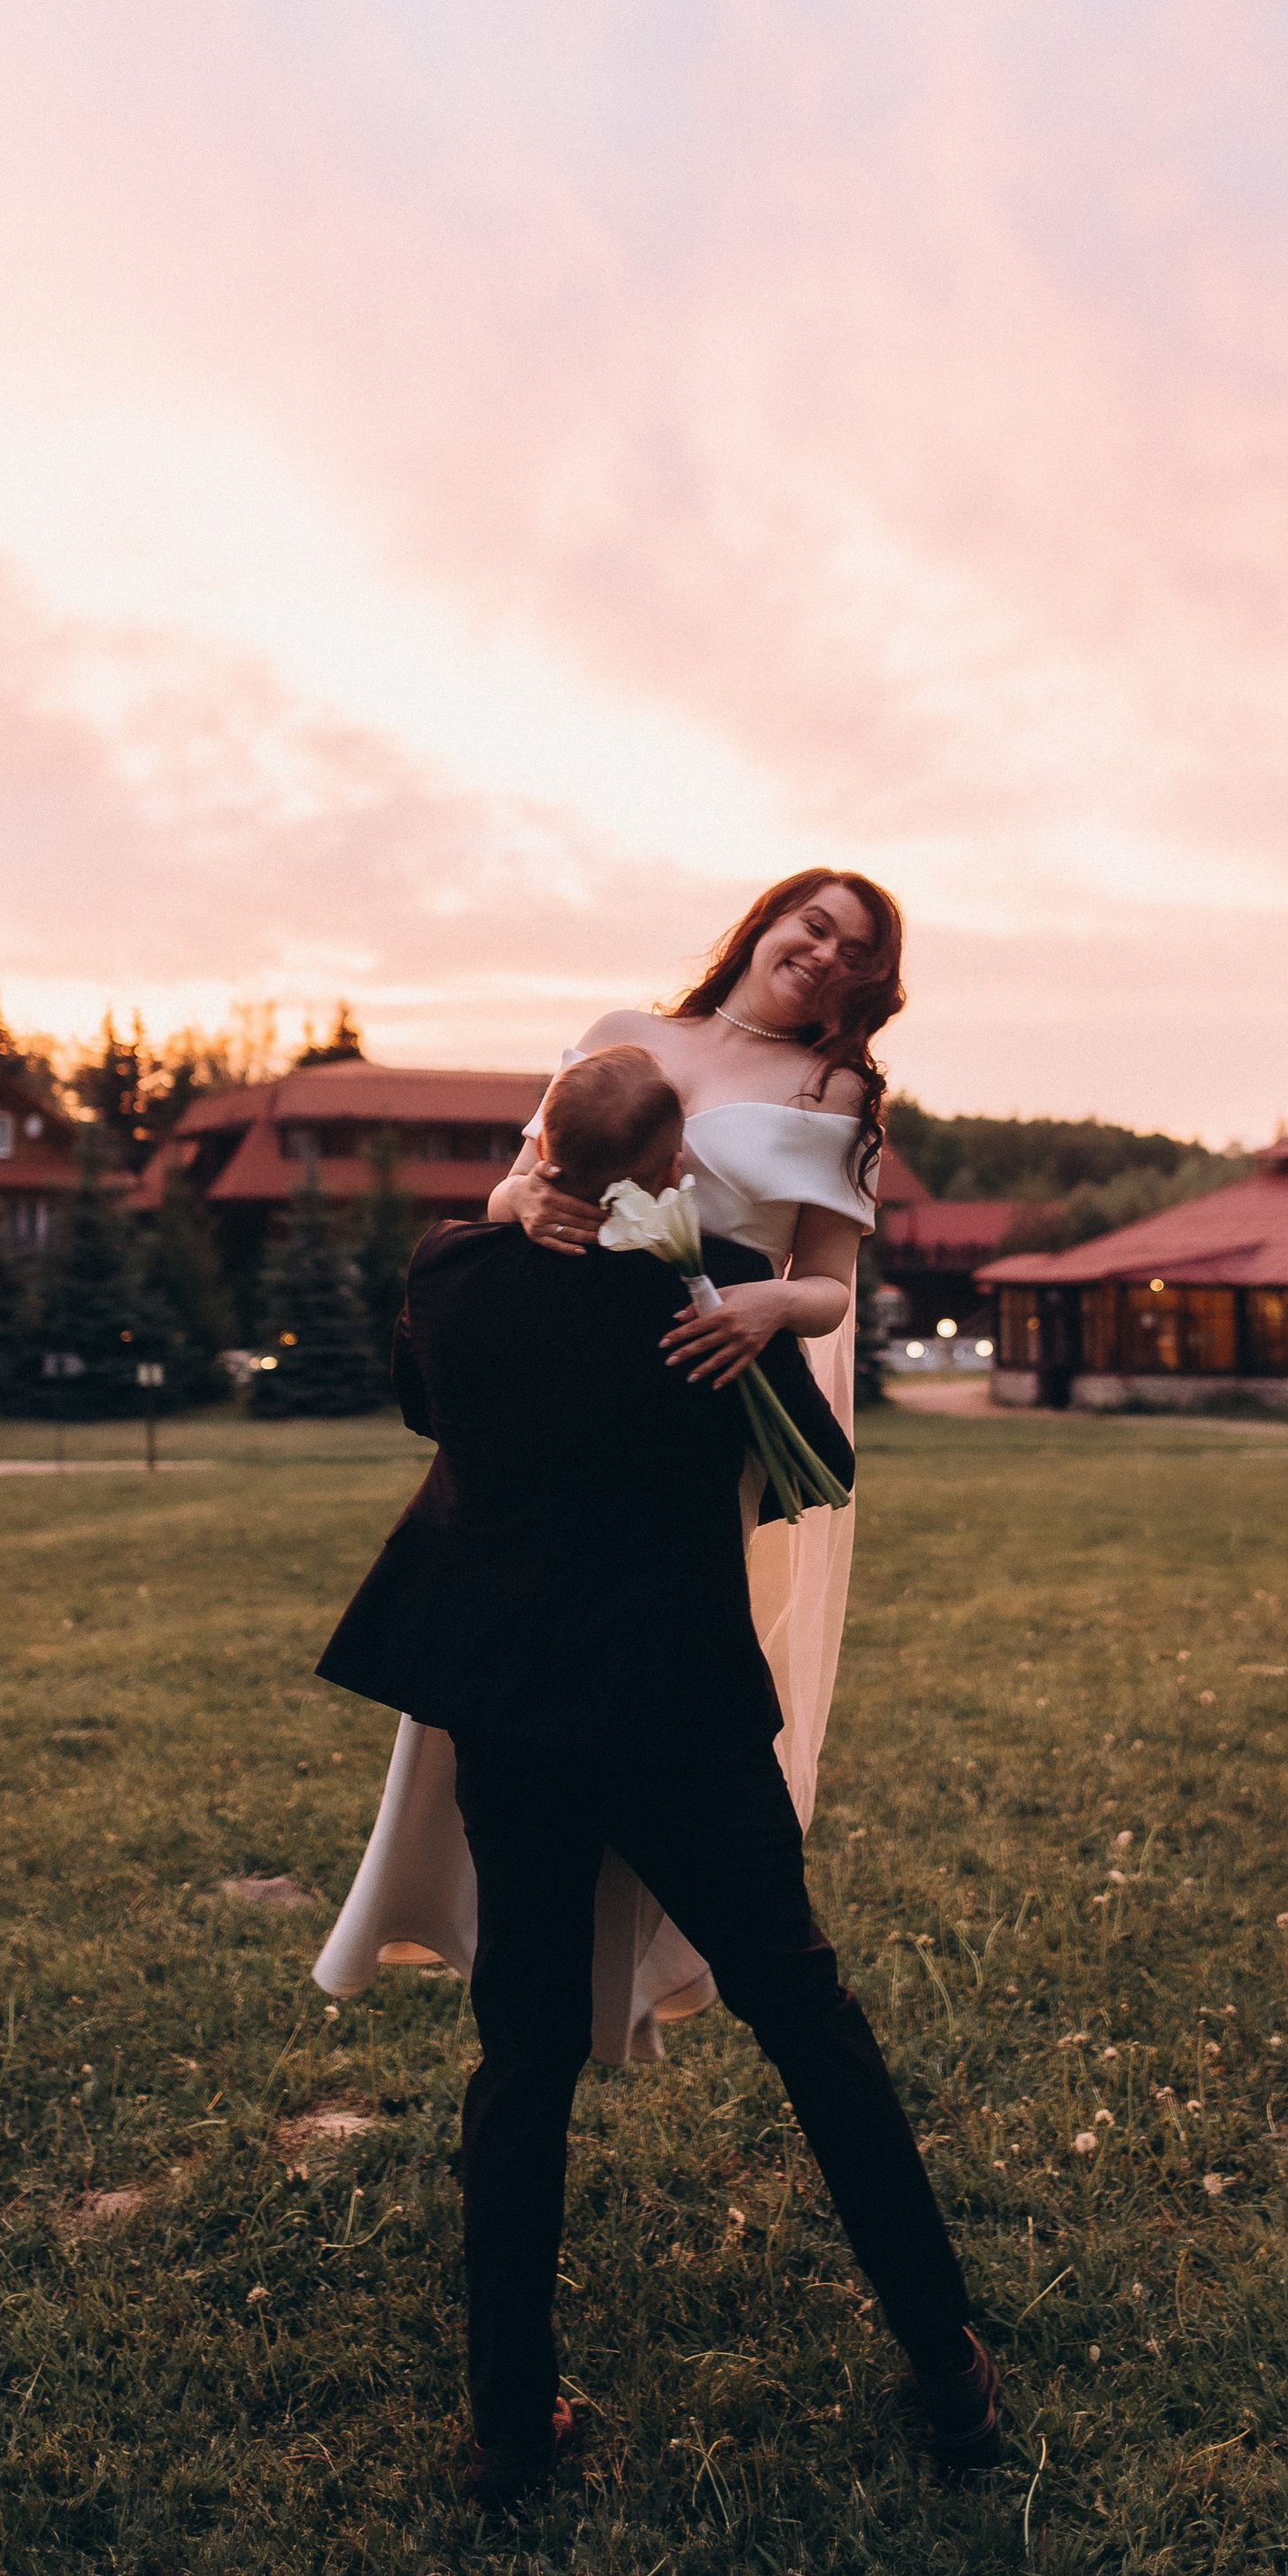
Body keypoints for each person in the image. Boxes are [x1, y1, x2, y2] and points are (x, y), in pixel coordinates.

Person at [314, 1042, 998, 2503]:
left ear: (539, 1143)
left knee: (526, 2051)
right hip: (679, 1709)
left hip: (510, 1714)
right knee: (806, 2015)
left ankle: (508, 2429)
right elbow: (816, 1461)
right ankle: (951, 2372)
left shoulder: (448, 1273)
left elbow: (425, 1406)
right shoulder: (709, 1293)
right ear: (670, 1168)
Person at [313, 869, 899, 2059]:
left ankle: (661, 1951)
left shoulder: (838, 1092)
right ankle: (520, 1957)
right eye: (814, 925)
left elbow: (831, 1288)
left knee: (657, 1676)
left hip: (694, 1386)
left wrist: (763, 1306)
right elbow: (519, 1184)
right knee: (528, 1670)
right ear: (767, 922)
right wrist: (527, 1204)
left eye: (855, 951)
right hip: (553, 1390)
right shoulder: (625, 1037)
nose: (826, 955)